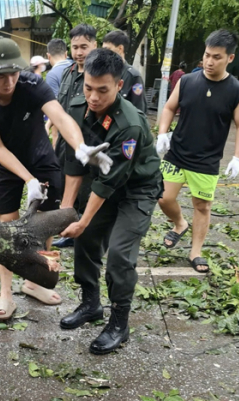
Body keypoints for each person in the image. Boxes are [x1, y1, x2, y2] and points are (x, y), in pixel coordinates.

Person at [0, 37, 112, 321]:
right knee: (7, 230)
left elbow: (60, 117)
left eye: (13, 73)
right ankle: (6, 294)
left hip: (40, 156)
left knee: (45, 223)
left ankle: (34, 281)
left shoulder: (33, 84)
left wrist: (79, 146)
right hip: (5, 162)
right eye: (0, 75)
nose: (8, 81)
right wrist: (27, 179)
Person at [59, 48, 162, 354]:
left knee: (118, 254)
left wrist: (83, 219)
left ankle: (119, 321)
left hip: (137, 189)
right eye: (88, 88)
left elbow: (107, 183)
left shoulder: (128, 125)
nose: (93, 97)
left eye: (102, 90)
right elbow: (75, 164)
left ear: (119, 86)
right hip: (105, 184)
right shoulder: (77, 107)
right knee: (86, 241)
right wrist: (68, 213)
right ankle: (91, 304)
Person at [156, 29, 239, 273]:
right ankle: (179, 224)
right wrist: (162, 133)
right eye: (207, 55)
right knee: (163, 197)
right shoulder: (187, 81)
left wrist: (238, 157)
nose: (209, 61)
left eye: (217, 57)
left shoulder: (238, 91)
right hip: (177, 153)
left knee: (202, 206)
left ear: (230, 58)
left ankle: (195, 252)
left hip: (207, 160)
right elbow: (168, 107)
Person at [52, 24, 98, 248]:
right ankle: (71, 231)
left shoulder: (97, 75)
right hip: (64, 144)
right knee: (65, 187)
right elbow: (59, 111)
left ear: (94, 45)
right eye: (75, 47)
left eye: (84, 47)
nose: (79, 52)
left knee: (87, 190)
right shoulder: (68, 73)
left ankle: (88, 236)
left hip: (88, 143)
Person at [102, 30, 147, 113]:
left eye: (107, 49)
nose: (104, 53)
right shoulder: (103, 72)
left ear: (120, 48)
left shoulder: (133, 76)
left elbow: (139, 110)